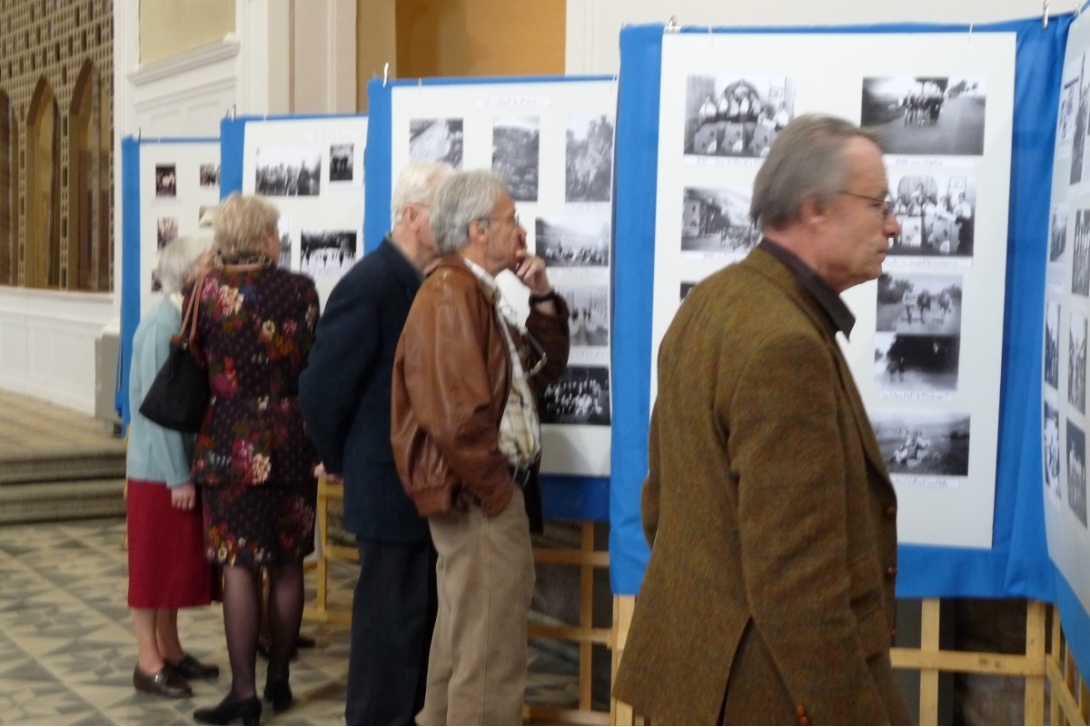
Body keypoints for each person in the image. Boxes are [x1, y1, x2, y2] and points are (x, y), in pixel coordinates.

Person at [612, 115, 911, 725]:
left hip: (697, 678)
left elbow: (660, 504)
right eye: (879, 204)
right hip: (764, 696)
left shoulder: (715, 300)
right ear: (815, 209)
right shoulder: (784, 345)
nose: (894, 224)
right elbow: (797, 587)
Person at [390, 170, 570, 725]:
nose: (520, 230)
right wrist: (497, 494)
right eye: (511, 218)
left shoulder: (470, 292)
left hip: (475, 497)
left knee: (464, 641)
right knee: (490, 659)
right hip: (478, 499)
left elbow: (537, 373)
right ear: (477, 230)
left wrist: (541, 296)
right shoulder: (451, 295)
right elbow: (455, 415)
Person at [299, 161, 453, 725]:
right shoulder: (371, 282)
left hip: (414, 483)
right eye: (446, 210)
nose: (458, 222)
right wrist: (336, 459)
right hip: (387, 485)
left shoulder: (422, 279)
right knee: (389, 633)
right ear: (412, 216)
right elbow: (320, 386)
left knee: (414, 626)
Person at [190, 193, 320, 726]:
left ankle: (243, 696)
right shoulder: (300, 289)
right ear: (265, 236)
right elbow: (314, 356)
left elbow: (196, 358)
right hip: (290, 434)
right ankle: (280, 682)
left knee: (239, 566)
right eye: (276, 230)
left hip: (229, 437)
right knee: (288, 562)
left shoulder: (206, 293)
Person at [127, 235, 220, 700]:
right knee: (149, 570)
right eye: (210, 262)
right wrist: (178, 476)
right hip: (157, 472)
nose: (217, 268)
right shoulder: (162, 323)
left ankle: (170, 649)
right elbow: (156, 412)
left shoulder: (183, 318)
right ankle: (148, 661)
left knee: (169, 568)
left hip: (173, 468)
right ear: (189, 274)